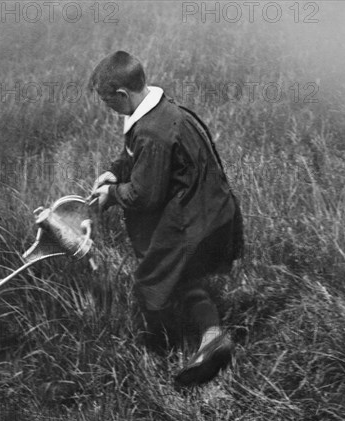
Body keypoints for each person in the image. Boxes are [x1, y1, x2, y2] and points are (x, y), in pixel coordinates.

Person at [88, 51, 244, 387]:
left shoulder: (153, 133)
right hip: (212, 209)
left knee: (150, 280)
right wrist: (114, 172)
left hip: (195, 218)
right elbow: (135, 157)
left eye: (107, 101)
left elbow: (145, 195)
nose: (107, 109)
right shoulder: (160, 110)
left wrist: (112, 196)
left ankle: (160, 349)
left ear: (121, 95)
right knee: (186, 278)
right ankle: (213, 338)